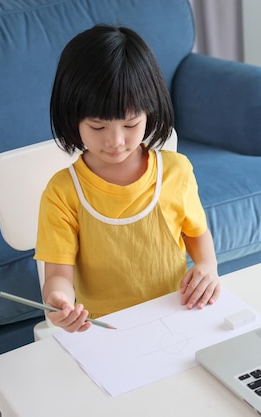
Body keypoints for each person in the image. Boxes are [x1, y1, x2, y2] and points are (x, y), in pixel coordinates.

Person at [34, 24, 220, 333]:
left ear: (150, 111)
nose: (116, 141)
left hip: (175, 318)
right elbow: (57, 275)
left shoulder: (176, 171)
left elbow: (197, 233)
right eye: (97, 127)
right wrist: (59, 301)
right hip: (106, 332)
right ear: (72, 118)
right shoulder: (63, 192)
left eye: (131, 124)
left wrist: (207, 266)